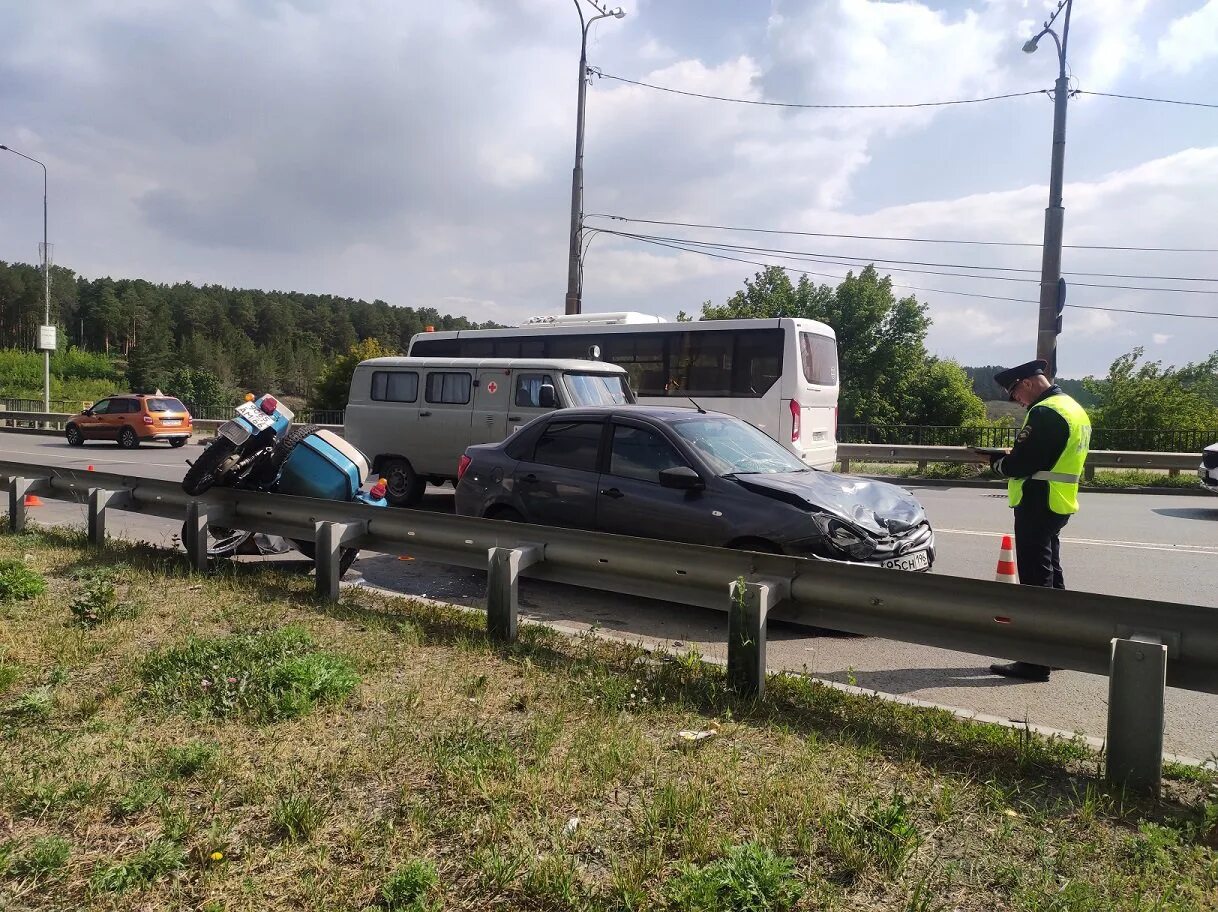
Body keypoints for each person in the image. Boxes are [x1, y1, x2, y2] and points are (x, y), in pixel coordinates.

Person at [986, 359, 1091, 681]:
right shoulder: (1072, 408)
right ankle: (1058, 649)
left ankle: (1035, 661)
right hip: (1058, 500)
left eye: (1015, 392)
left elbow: (1022, 464)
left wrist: (997, 463)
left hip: (1038, 501)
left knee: (1035, 582)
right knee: (1052, 577)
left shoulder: (1045, 412)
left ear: (1029, 382)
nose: (1016, 400)